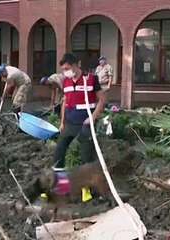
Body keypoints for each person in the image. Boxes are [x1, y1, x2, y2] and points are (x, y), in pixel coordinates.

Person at [54, 53, 105, 202]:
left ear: (76, 64)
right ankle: (60, 188)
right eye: (63, 69)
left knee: (86, 157)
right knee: (59, 153)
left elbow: (102, 99)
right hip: (69, 122)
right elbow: (65, 102)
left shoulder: (91, 79)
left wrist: (93, 117)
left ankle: (87, 191)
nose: (65, 71)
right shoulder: (66, 81)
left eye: (67, 68)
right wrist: (62, 121)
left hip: (85, 123)